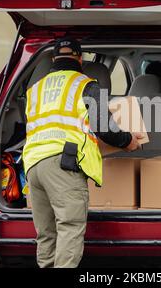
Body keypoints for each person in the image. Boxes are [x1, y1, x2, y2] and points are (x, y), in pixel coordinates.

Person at [23, 37, 143, 268]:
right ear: (80, 58)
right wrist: (127, 140)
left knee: (46, 234)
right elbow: (104, 127)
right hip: (62, 164)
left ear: (54, 59)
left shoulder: (34, 90)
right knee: (69, 227)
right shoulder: (85, 84)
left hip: (33, 165)